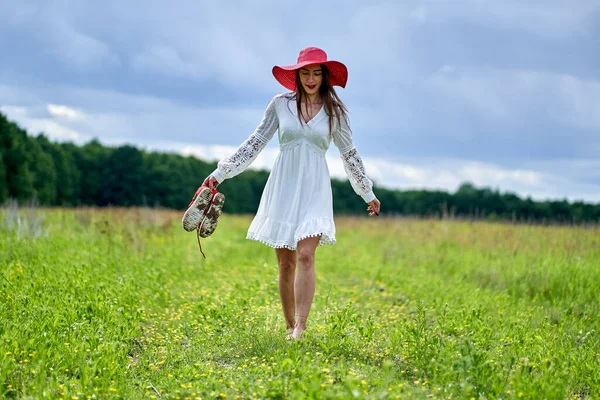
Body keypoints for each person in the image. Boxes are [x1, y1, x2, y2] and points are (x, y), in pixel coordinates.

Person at [202, 47, 381, 341]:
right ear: (297, 75)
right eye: (305, 73)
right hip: (284, 185)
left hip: (314, 187)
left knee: (306, 255)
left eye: (317, 73)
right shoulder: (280, 105)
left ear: (325, 76)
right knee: (286, 263)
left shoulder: (335, 111)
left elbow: (349, 154)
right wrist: (220, 173)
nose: (311, 79)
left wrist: (367, 192)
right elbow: (255, 142)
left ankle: (300, 325)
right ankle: (288, 326)